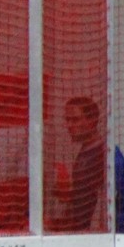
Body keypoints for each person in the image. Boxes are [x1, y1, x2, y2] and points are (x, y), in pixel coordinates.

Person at [49, 96, 107, 232]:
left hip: (90, 234)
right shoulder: (85, 150)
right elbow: (82, 197)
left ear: (92, 121)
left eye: (75, 120)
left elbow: (94, 200)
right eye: (67, 120)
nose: (69, 125)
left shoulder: (101, 154)